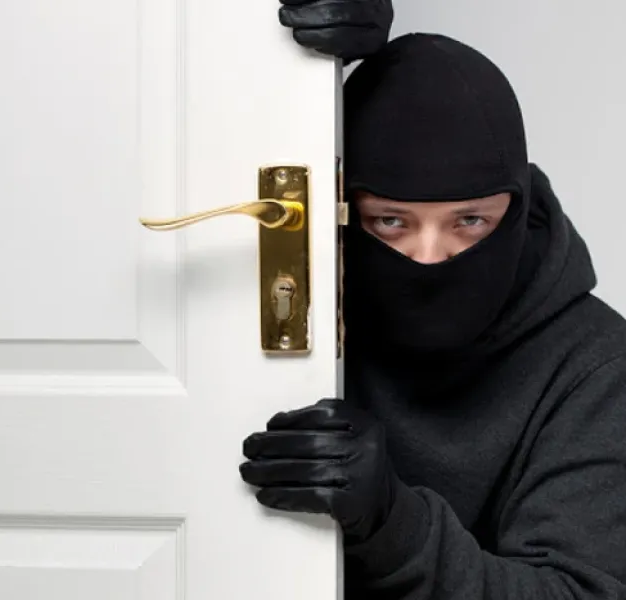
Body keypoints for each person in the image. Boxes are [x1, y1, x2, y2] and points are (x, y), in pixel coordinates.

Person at [238, 2, 626, 598]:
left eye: (469, 221)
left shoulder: (597, 365)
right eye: (390, 221)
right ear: (345, 214)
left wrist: (394, 524)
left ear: (517, 210)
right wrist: (268, 35)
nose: (427, 256)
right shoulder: (291, 317)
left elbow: (581, 592)